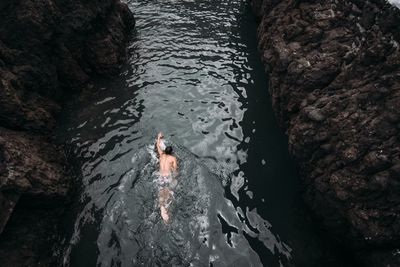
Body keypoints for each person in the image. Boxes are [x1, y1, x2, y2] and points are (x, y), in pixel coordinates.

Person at [156, 132, 177, 223]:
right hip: (167, 176)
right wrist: (175, 177)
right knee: (168, 191)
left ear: (165, 151)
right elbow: (175, 169)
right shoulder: (173, 159)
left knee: (161, 190)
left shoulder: (161, 155)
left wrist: (159, 137)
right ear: (171, 152)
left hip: (160, 176)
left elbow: (158, 145)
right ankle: (165, 208)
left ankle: (161, 206)